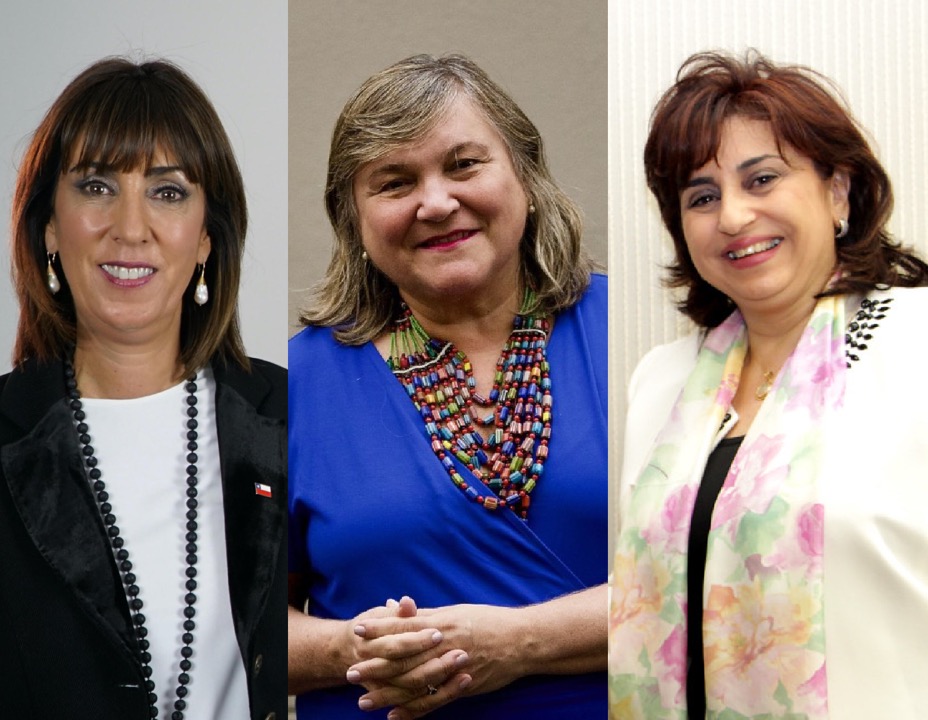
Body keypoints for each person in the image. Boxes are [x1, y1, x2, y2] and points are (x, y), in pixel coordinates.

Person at [609, 51, 928, 719]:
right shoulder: (661, 384)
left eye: (762, 179)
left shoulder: (917, 345)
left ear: (837, 191)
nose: (732, 216)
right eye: (701, 196)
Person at [288, 54, 608, 720]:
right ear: (353, 218)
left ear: (524, 174)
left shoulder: (636, 337)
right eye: (394, 182)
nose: (436, 203)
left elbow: (717, 578)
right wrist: (362, 646)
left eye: (464, 165)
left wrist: (521, 643)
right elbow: (230, 625)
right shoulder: (291, 387)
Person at [0, 57, 286, 720]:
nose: (131, 227)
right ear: (49, 226)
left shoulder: (289, 415)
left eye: (167, 192)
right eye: (95, 186)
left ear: (206, 238)